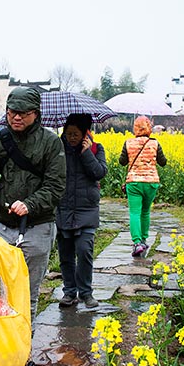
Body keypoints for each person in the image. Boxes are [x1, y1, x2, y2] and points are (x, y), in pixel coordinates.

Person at [0, 86, 66, 316]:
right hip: (2, 226)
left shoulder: (50, 142)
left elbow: (56, 186)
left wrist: (30, 204)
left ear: (36, 113)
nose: (16, 117)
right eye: (11, 112)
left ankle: (23, 347)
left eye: (23, 113)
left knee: (26, 293)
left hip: (37, 228)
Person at [56, 114, 107, 309]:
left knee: (84, 250)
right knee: (66, 255)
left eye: (76, 134)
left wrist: (87, 153)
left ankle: (86, 292)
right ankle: (69, 292)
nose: (71, 138)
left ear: (85, 133)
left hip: (86, 210)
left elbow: (99, 172)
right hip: (63, 208)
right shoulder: (58, 149)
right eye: (68, 133)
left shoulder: (96, 148)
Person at [119, 115, 167, 257]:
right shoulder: (154, 143)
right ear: (149, 127)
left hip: (134, 182)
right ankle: (144, 240)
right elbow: (163, 162)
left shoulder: (128, 143)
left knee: (134, 212)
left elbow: (122, 161)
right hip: (151, 182)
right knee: (145, 212)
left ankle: (137, 243)